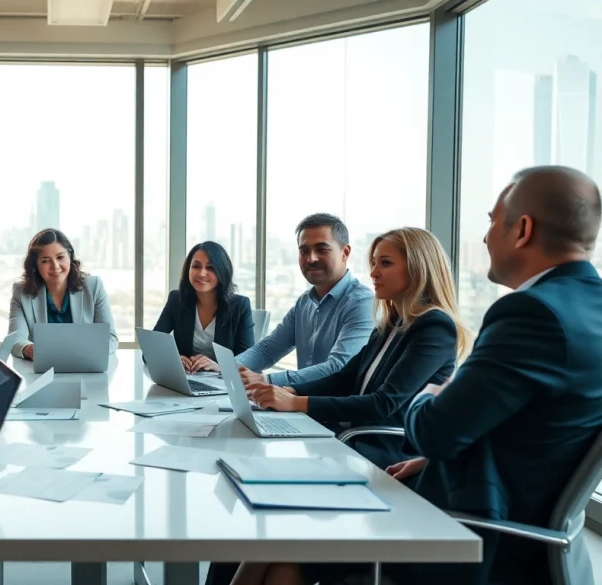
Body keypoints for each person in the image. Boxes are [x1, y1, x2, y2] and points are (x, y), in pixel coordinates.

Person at [383, 166, 602, 585]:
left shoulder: (531, 313)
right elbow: (542, 428)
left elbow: (433, 431)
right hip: (528, 533)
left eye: (491, 221)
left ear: (522, 230)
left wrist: (428, 393)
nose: (485, 238)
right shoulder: (588, 308)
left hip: (476, 538)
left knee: (287, 554)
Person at [221, 227, 471, 585]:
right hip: (353, 445)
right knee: (271, 540)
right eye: (374, 262)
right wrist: (284, 395)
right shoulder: (391, 323)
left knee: (276, 533)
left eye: (385, 263)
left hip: (386, 454)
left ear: (417, 268)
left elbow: (384, 404)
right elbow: (343, 379)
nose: (374, 272)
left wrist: (296, 403)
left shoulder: (434, 326)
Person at [236, 213, 374, 387]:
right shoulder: (304, 302)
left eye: (322, 250)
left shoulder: (362, 303)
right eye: (304, 251)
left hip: (331, 403)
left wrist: (267, 380)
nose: (311, 258)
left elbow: (337, 367)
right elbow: (268, 349)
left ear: (345, 253)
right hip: (297, 399)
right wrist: (227, 368)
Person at [8, 228, 118, 360]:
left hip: (85, 366)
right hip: (42, 368)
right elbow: (15, 340)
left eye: (60, 257)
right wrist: (29, 349)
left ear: (69, 256)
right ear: (35, 265)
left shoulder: (93, 286)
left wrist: (86, 352)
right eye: (45, 260)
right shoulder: (21, 292)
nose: (55, 266)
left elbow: (110, 338)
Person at [151, 241, 254, 372]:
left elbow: (249, 362)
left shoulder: (240, 306)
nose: (201, 273)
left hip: (224, 381)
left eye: (210, 268)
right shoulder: (176, 300)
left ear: (222, 271)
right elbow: (151, 349)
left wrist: (220, 367)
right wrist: (172, 360)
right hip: (186, 379)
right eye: (196, 266)